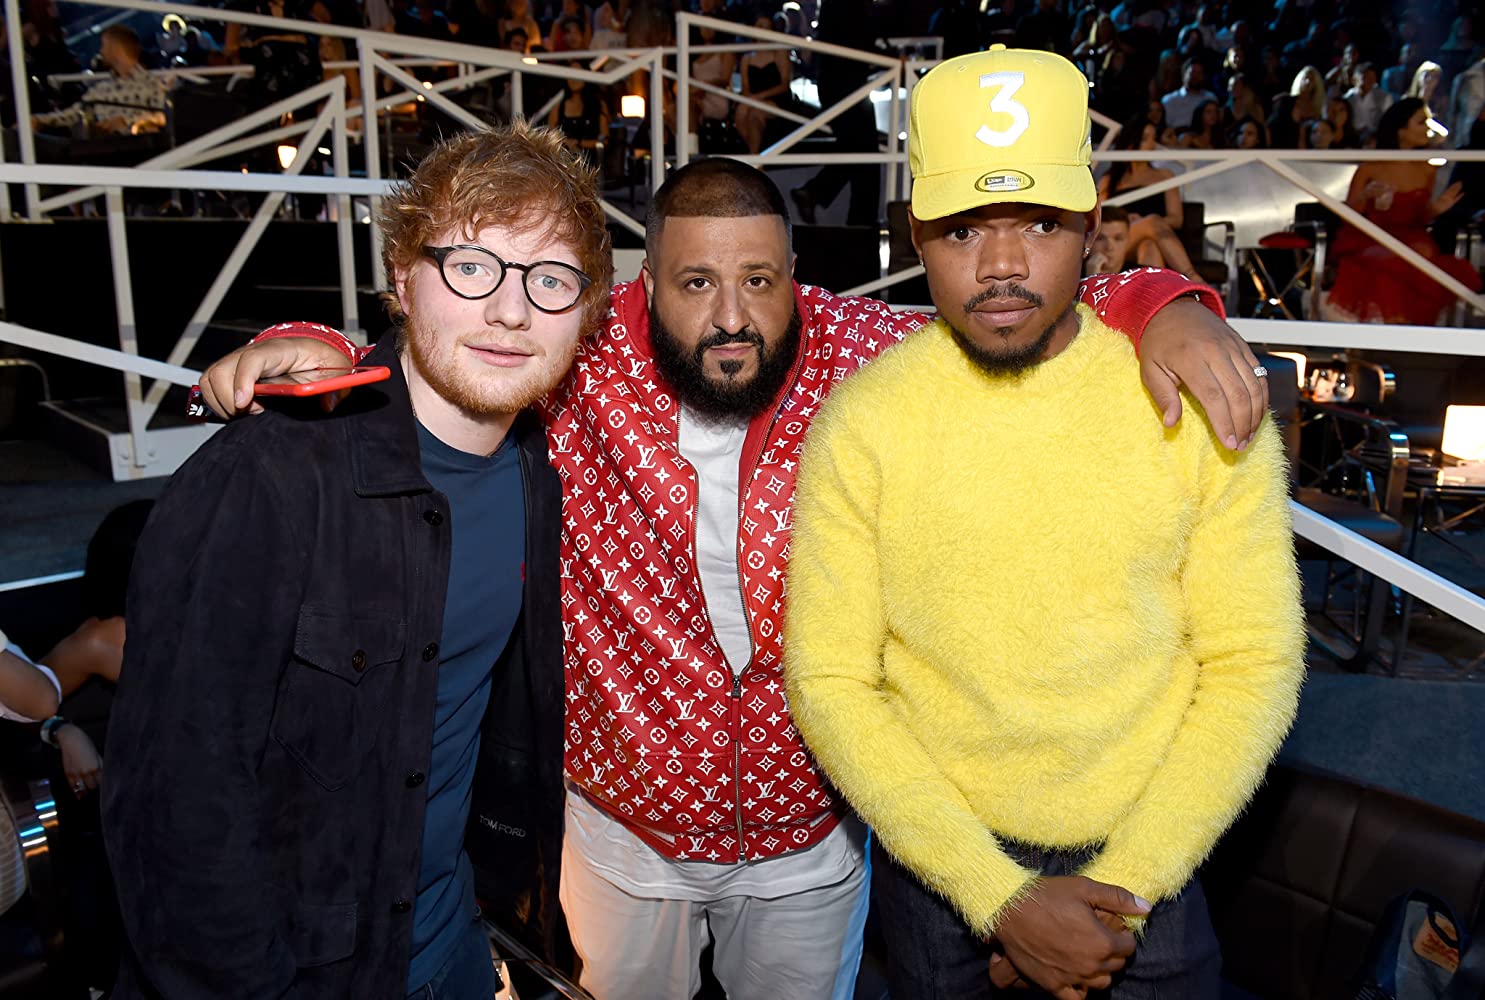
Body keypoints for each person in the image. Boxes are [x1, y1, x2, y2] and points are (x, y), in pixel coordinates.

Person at [198, 163, 1271, 999]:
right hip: (622, 838)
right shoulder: (580, 355)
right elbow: (452, 342)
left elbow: (1020, 304)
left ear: (794, 276)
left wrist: (1165, 300)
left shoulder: (860, 350)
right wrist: (309, 342)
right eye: (696, 283)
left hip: (811, 839)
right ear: (642, 284)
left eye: (759, 281)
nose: (730, 316)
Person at [782, 46, 1305, 1000]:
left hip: (1154, 851)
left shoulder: (1193, 400)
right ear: (914, 235)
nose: (1002, 265)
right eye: (961, 229)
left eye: (1039, 221)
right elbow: (831, 680)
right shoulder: (864, 422)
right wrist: (998, 897)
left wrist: (1126, 892)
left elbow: (1252, 662)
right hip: (940, 862)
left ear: (1093, 226)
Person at [102, 124, 599, 999]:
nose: (511, 311)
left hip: (450, 942)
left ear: (585, 311)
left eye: (550, 279)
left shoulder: (532, 474)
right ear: (402, 278)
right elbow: (174, 802)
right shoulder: (268, 475)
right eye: (471, 267)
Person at [1326, 98, 1482, 325]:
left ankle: (1412, 330)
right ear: (1401, 130)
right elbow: (1350, 215)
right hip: (1373, 236)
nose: (1428, 128)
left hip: (1413, 237)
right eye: (1421, 122)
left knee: (1424, 256)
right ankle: (1393, 327)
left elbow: (1422, 216)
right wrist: (1366, 195)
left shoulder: (1427, 168)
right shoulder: (1371, 167)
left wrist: (1436, 208)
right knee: (1397, 259)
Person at [1098, 116, 1201, 278]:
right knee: (1151, 222)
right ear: (1131, 142)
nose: (1152, 145)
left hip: (1156, 238)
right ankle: (1193, 278)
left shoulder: (1165, 175)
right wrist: (1127, 221)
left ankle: (1154, 293)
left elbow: (1176, 219)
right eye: (1146, 138)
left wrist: (1144, 222)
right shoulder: (1109, 180)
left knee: (1150, 245)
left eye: (1154, 138)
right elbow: (1101, 217)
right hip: (1120, 239)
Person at [31, 26, 166, 135]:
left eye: (104, 45)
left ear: (115, 48)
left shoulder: (153, 84)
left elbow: (163, 117)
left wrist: (127, 121)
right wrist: (39, 120)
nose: (101, 51)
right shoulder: (101, 90)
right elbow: (74, 114)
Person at [736, 13, 792, 154]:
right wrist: (751, 99)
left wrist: (760, 97)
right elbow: (745, 87)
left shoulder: (779, 53)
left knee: (755, 114)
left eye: (766, 27)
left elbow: (785, 84)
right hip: (754, 99)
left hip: (776, 99)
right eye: (759, 26)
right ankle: (758, 156)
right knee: (742, 112)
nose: (762, 30)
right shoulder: (747, 58)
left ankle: (754, 158)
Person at [1161, 57, 1217, 128]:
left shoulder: (1210, 98)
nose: (1195, 76)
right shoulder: (1169, 100)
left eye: (1199, 73)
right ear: (1184, 74)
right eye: (1192, 72)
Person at [1346, 62, 1395, 140]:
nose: (1368, 82)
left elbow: (1388, 122)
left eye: (1371, 79)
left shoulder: (1385, 98)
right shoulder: (1347, 98)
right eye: (1364, 78)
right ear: (1354, 79)